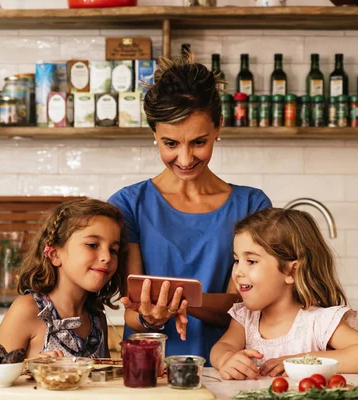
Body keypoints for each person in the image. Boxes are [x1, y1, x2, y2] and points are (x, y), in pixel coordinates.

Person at [108, 52, 272, 359]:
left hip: (230, 367)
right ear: (154, 133)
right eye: (170, 144)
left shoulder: (252, 205)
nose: (185, 159)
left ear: (219, 127)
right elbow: (131, 310)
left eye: (199, 142)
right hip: (149, 369)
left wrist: (174, 301)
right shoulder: (128, 205)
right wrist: (148, 316)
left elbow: (246, 305)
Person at [210, 208, 358, 380]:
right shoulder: (245, 318)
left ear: (292, 272)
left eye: (251, 261)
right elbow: (222, 347)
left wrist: (300, 361)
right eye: (236, 260)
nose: (237, 272)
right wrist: (226, 359)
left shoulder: (318, 322)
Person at [0, 199, 127, 359]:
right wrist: (29, 367)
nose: (107, 257)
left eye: (113, 250)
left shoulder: (97, 317)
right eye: (92, 245)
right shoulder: (26, 310)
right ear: (55, 255)